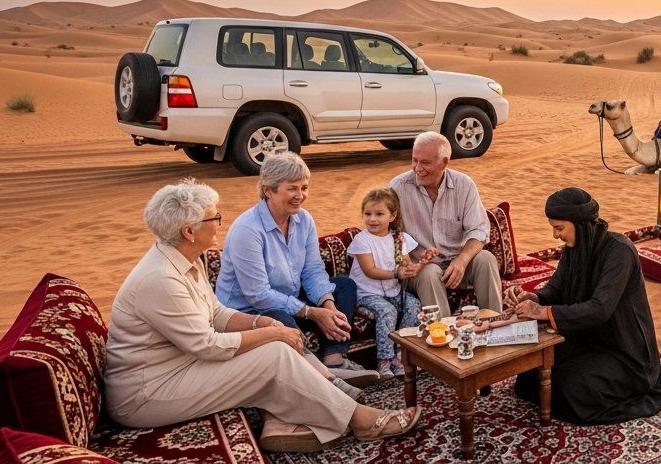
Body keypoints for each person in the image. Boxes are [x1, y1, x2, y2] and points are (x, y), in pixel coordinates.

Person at [104, 179, 419, 454]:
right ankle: (360, 420)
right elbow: (207, 345)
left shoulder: (186, 258)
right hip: (148, 393)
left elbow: (216, 313)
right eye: (214, 217)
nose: (220, 222)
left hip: (179, 365)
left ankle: (292, 417)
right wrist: (271, 332)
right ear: (189, 231)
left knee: (275, 343)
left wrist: (261, 324)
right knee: (272, 355)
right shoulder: (161, 279)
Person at [513, 187, 661, 424]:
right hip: (588, 341)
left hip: (625, 353)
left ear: (579, 224)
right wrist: (534, 298)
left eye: (559, 228)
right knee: (529, 376)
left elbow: (600, 309)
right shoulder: (574, 248)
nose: (555, 235)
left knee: (569, 388)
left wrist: (543, 312)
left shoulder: (619, 251)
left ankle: (633, 383)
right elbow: (556, 288)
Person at [215, 152, 379, 389]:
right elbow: (258, 295)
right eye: (292, 188)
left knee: (344, 286)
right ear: (268, 190)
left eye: (304, 188)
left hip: (288, 299)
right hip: (249, 310)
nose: (300, 196)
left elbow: (312, 269)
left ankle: (335, 359)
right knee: (277, 319)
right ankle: (325, 379)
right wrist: (312, 313)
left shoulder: (304, 219)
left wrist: (328, 307)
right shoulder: (247, 230)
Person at [388, 131, 502, 317]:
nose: (418, 168)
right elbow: (388, 234)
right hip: (419, 269)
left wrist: (462, 260)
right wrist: (412, 258)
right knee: (430, 272)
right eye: (415, 160)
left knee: (486, 259)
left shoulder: (464, 185)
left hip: (455, 263)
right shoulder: (397, 188)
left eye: (425, 162)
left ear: (444, 162)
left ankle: (494, 322)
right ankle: (442, 331)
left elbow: (479, 230)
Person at [348, 187, 431, 379]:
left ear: (392, 216)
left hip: (394, 292)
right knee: (387, 311)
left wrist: (421, 263)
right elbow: (370, 270)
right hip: (367, 294)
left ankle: (401, 354)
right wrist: (396, 273)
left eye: (379, 214)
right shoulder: (362, 241)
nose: (372, 219)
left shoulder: (399, 238)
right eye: (368, 214)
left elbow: (406, 266)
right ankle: (384, 361)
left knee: (414, 305)